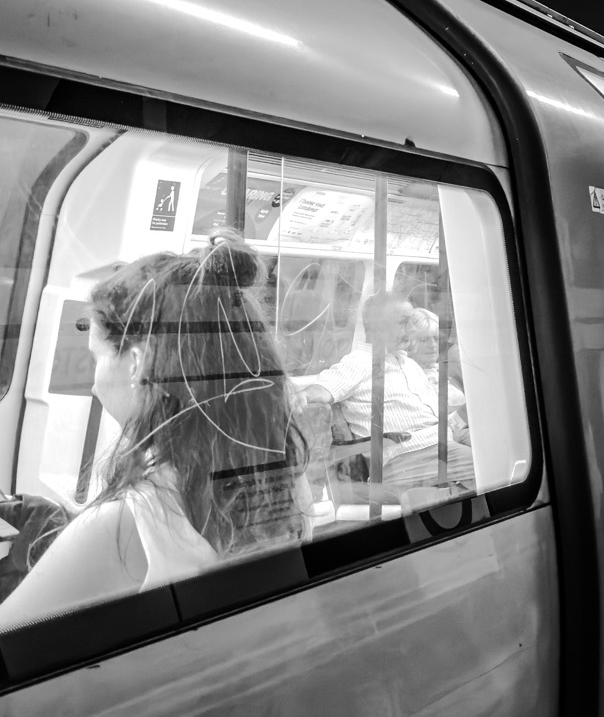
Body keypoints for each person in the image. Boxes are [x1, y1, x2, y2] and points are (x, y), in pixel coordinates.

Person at [0, 233, 308, 628]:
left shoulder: (124, 528)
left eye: (97, 358)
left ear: (136, 362)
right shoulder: (285, 479)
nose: (94, 386)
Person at [297, 290, 474, 493]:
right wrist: (302, 396)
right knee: (488, 466)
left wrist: (465, 414)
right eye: (403, 322)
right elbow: (321, 390)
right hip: (409, 455)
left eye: (411, 322)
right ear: (377, 326)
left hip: (443, 441)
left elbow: (431, 417)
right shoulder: (360, 362)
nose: (411, 329)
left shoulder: (408, 364)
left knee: (496, 447)